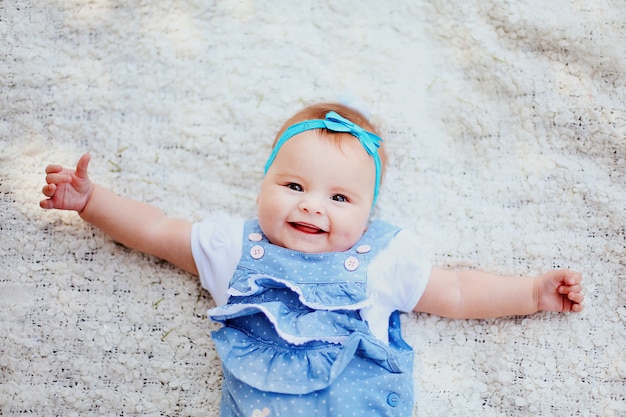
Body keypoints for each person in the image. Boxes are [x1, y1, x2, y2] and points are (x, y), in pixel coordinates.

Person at [40, 102, 584, 417]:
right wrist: (92, 202)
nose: (311, 204)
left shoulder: (380, 261)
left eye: (339, 198)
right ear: (262, 187)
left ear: (369, 216)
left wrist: (532, 292)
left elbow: (459, 292)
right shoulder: (235, 248)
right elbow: (156, 231)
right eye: (294, 184)